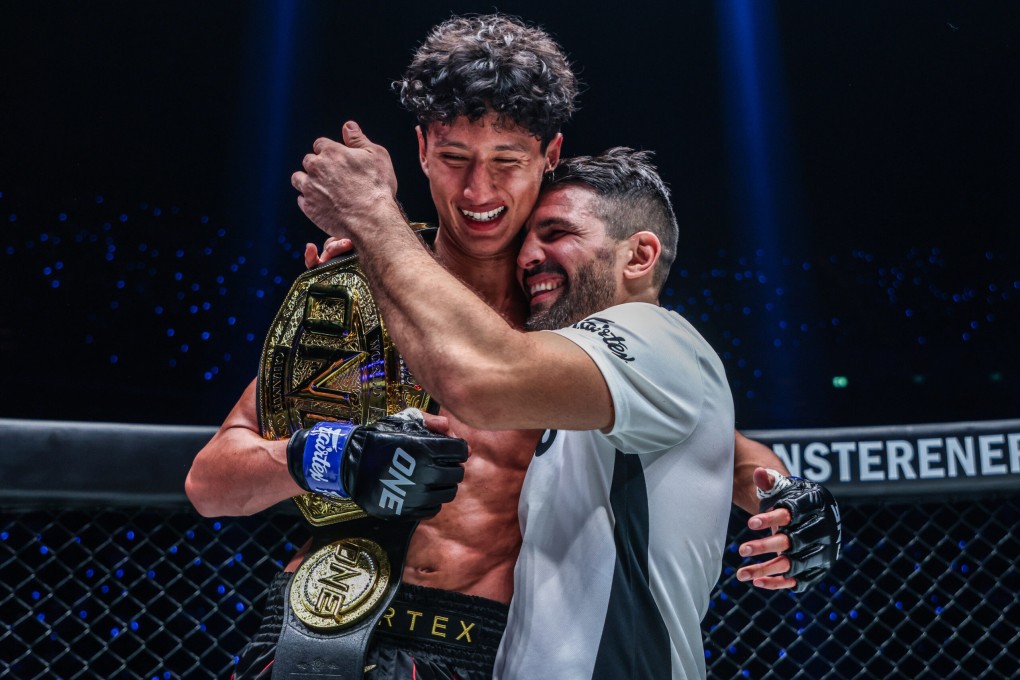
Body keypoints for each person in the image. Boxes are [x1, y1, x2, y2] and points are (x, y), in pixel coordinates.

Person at [187, 14, 839, 679]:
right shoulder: (358, 289)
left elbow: (717, 444)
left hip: (473, 644)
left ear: (549, 155)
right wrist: (335, 457)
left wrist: (786, 497)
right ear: (421, 149)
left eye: (506, 161)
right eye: (454, 158)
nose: (479, 191)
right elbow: (210, 483)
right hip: (316, 620)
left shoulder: (572, 318)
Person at [294, 140, 731, 677]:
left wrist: (374, 221)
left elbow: (475, 380)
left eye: (558, 233)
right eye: (527, 239)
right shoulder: (588, 387)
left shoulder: (657, 338)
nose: (526, 258)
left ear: (639, 256)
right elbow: (730, 453)